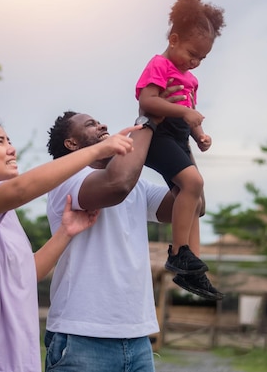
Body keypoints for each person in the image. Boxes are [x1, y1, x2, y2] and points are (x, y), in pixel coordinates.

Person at [0, 118, 141, 372]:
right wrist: (98, 150)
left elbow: (24, 274)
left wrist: (65, 232)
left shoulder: (4, 216)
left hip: (9, 362)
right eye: (0, 142)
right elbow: (22, 189)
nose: (12, 149)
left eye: (10, 141)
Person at [43, 108, 176, 372]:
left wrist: (178, 141)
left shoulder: (137, 185)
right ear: (72, 143)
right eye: (91, 124)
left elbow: (192, 204)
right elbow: (117, 185)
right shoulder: (66, 179)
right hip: (81, 335)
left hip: (137, 337)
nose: (103, 125)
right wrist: (146, 121)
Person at [135, 0, 225, 300]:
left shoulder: (191, 79)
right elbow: (148, 102)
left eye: (202, 58)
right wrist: (184, 112)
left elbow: (190, 118)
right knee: (192, 182)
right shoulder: (159, 65)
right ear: (173, 40)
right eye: (192, 53)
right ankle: (178, 251)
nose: (196, 62)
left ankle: (193, 269)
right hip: (157, 134)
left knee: (196, 201)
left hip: (179, 136)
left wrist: (200, 136)